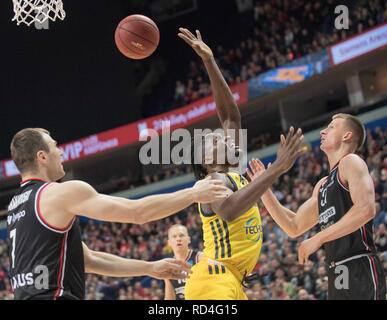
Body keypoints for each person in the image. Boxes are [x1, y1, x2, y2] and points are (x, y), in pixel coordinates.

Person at [6, 128, 229, 300]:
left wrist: (150, 268)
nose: (61, 151)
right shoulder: (60, 193)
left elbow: (89, 260)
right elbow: (137, 212)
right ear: (42, 156)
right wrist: (193, 194)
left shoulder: (16, 208)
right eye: (55, 146)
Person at [177, 27, 304, 300]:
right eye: (214, 140)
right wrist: (275, 170)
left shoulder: (230, 172)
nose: (222, 137)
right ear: (205, 160)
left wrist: (209, 61)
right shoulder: (211, 182)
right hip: (213, 280)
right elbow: (230, 210)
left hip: (229, 280)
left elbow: (231, 118)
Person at [247, 114, 386, 300]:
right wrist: (263, 188)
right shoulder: (322, 185)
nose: (323, 131)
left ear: (346, 136)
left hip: (359, 263)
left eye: (331, 127)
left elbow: (366, 209)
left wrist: (318, 238)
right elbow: (293, 226)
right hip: (337, 271)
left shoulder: (351, 162)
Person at [164, 224, 203, 300]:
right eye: (174, 236)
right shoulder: (168, 267)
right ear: (169, 243)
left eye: (181, 235)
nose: (178, 239)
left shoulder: (200, 258)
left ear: (188, 239)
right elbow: (169, 298)